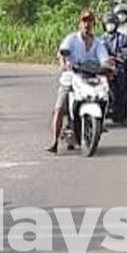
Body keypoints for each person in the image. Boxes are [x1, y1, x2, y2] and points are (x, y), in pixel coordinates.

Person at [45, 9, 112, 153]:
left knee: (105, 95)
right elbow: (62, 53)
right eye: (84, 21)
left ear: (93, 24)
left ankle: (100, 122)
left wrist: (108, 66)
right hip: (71, 77)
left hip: (91, 78)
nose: (86, 24)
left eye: (89, 21)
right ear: (79, 23)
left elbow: (104, 60)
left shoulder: (98, 43)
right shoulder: (71, 39)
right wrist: (64, 64)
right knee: (60, 107)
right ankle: (54, 141)